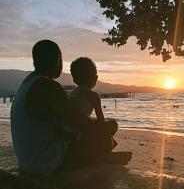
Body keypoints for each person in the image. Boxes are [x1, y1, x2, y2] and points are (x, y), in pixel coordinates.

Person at [10, 40, 119, 174]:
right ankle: (102, 157)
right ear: (58, 61)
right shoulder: (49, 86)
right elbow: (79, 121)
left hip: (27, 162)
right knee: (108, 134)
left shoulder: (26, 85)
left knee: (100, 133)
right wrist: (98, 117)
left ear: (35, 62)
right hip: (45, 163)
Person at [67, 57, 118, 149]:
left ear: (74, 79)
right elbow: (101, 122)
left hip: (68, 134)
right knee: (113, 124)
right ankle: (107, 151)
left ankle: (108, 147)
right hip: (80, 134)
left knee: (98, 125)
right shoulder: (93, 96)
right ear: (96, 78)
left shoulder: (71, 94)